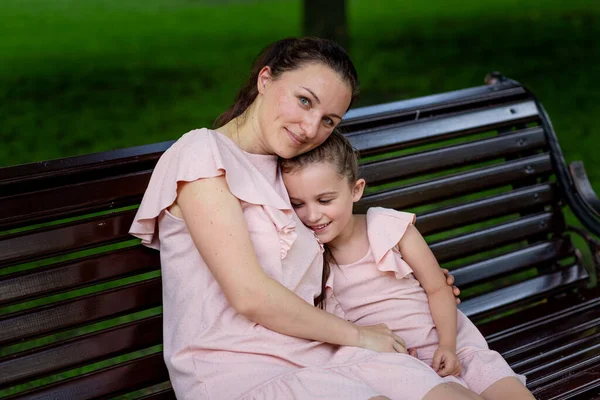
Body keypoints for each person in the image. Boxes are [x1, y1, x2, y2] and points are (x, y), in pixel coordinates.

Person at [130, 37, 478, 400]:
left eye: (329, 120)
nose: (311, 128)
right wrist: (359, 335)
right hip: (237, 370)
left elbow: (331, 255)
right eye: (304, 100)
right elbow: (251, 296)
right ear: (265, 80)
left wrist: (423, 278)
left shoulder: (291, 172)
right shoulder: (202, 155)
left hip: (317, 351)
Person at [280, 130, 535, 400]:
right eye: (297, 204)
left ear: (356, 190)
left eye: (324, 200)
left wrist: (447, 345)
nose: (312, 215)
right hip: (398, 369)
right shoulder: (309, 258)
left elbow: (438, 288)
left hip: (451, 345)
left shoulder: (389, 229)